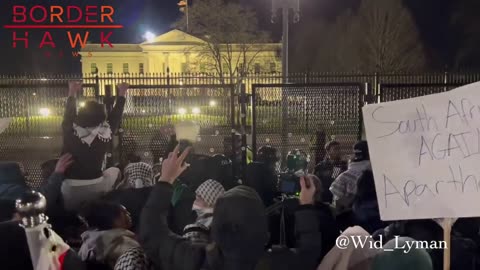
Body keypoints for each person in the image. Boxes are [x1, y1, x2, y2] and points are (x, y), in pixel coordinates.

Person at [140, 145, 322, 270]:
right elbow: (309, 251)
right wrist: (305, 205)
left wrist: (166, 180)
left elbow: (151, 231)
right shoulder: (276, 264)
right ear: (265, 234)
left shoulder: (193, 260)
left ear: (215, 229)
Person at [61, 81, 129, 211]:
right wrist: (121, 93)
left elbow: (68, 114)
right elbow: (116, 115)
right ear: (102, 117)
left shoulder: (70, 130)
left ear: (80, 115)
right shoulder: (105, 132)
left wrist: (72, 91)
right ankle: (111, 198)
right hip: (96, 183)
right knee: (115, 171)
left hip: (70, 186)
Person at [0, 154, 73, 214]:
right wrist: (58, 172)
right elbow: (41, 200)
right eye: (23, 173)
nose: (26, 173)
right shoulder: (6, 193)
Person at [79, 200, 141, 269]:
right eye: (124, 213)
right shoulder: (124, 243)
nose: (129, 214)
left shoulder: (88, 244)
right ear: (114, 219)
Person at [330, 141, 371, 212]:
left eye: (339, 149)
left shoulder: (342, 169)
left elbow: (337, 202)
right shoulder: (321, 166)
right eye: (335, 149)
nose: (338, 151)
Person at [183, 179, 225, 245]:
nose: (194, 203)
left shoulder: (196, 229)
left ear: (209, 201)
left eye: (198, 199)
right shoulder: (224, 224)